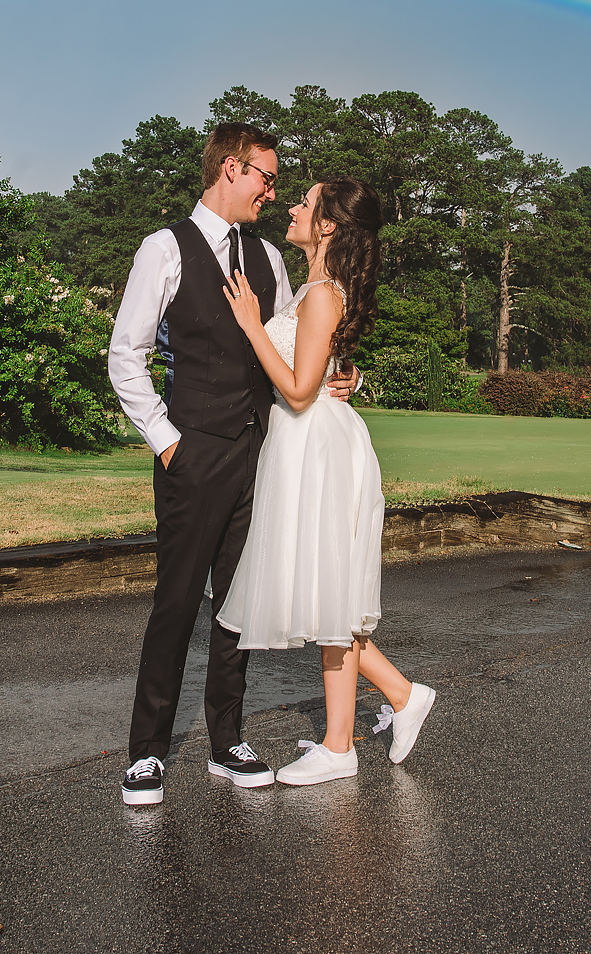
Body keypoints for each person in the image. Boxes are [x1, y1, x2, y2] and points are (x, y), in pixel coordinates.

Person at [107, 122, 355, 806]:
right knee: (177, 601)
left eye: (277, 183)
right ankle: (148, 750)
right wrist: (166, 439)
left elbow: (292, 349)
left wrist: (342, 376)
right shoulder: (164, 249)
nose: (273, 193)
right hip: (193, 449)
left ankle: (227, 739)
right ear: (229, 169)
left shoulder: (269, 258)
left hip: (259, 449)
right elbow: (124, 355)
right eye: (266, 178)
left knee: (236, 604)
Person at [216, 176, 438, 786]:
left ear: (328, 226)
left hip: (317, 448)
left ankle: (344, 743)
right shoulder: (316, 287)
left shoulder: (320, 293)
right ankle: (391, 703)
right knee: (324, 597)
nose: (291, 207)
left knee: (327, 595)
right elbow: (321, 367)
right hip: (308, 444)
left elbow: (297, 388)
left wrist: (251, 323)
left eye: (305, 204)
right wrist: (349, 375)